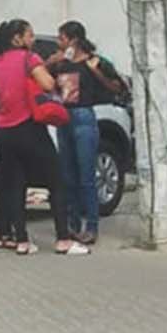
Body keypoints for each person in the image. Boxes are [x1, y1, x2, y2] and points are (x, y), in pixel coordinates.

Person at [45, 21, 125, 248]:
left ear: (73, 40)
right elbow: (43, 81)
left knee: (86, 176)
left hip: (83, 117)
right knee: (67, 175)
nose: (59, 43)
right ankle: (71, 224)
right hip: (64, 117)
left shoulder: (95, 61)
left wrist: (95, 72)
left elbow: (117, 87)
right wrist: (51, 63)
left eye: (61, 39)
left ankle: (91, 225)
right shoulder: (60, 63)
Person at [0, 19, 61, 255]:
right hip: (29, 126)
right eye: (29, 35)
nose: (33, 40)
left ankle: (21, 240)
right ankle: (64, 238)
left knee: (15, 185)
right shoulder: (30, 59)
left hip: (4, 130)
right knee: (56, 180)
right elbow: (48, 84)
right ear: (17, 39)